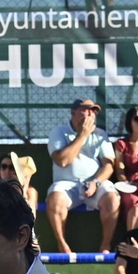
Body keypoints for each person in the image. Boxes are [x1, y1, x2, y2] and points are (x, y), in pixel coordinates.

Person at [44, 98, 119, 254]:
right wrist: (82, 135)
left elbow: (109, 165)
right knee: (55, 198)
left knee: (112, 198)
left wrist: (96, 182)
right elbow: (63, 161)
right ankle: (62, 245)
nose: (90, 114)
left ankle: (105, 245)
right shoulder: (59, 132)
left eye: (94, 111)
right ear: (74, 112)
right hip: (66, 184)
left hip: (94, 184)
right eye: (86, 109)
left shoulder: (100, 134)